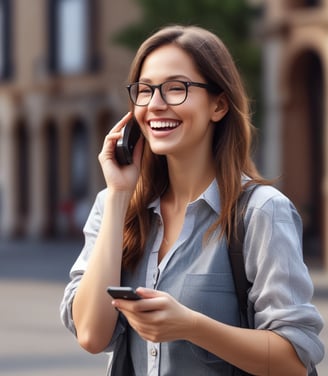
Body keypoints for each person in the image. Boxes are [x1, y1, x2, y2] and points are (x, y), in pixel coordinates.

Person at [60, 25, 324, 375]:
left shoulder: (262, 211)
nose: (155, 105)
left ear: (219, 104)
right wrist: (120, 193)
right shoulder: (115, 205)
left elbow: (294, 359)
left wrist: (192, 326)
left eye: (175, 88)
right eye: (145, 90)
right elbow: (92, 335)